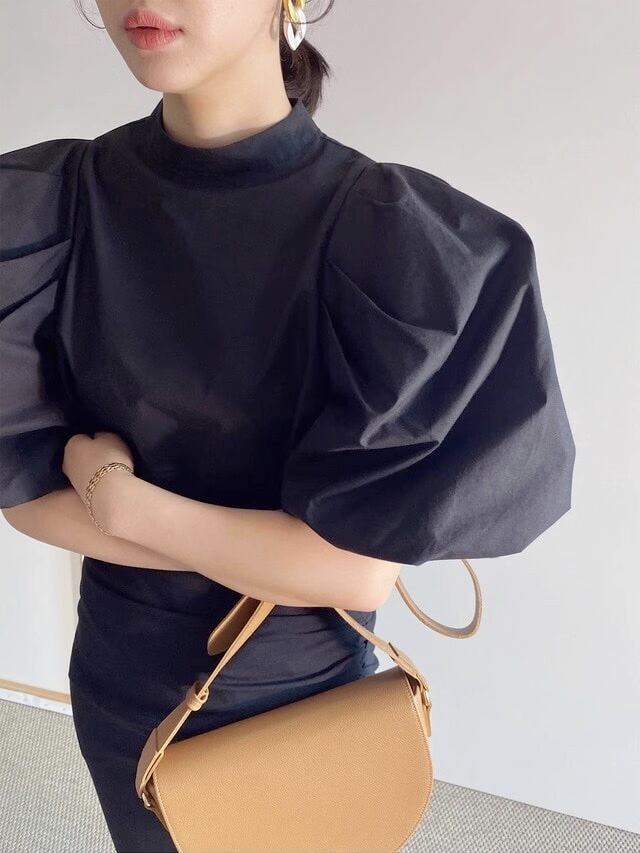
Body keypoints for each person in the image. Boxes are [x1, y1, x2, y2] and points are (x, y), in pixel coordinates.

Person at [0, 1, 576, 851]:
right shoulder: (48, 206)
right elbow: (23, 495)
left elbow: (355, 573)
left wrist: (122, 504)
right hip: (119, 680)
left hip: (293, 700)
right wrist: (269, 549)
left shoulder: (392, 239)